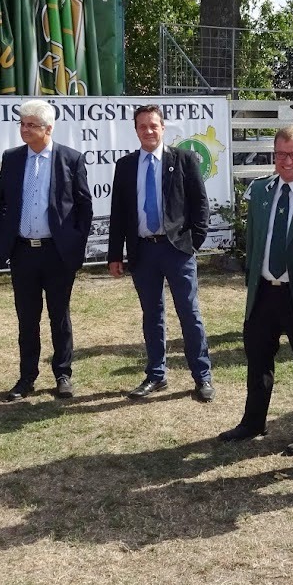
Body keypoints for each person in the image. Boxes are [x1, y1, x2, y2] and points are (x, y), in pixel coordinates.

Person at [218, 125, 293, 454]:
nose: (286, 161)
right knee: (258, 360)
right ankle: (253, 421)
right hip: (264, 292)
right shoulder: (260, 190)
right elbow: (254, 241)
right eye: (280, 154)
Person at [108, 104, 216, 402]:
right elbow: (118, 213)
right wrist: (115, 254)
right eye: (142, 126)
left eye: (153, 125)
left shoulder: (183, 159)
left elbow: (200, 204)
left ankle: (202, 376)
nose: (148, 131)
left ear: (163, 127)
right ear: (136, 130)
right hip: (142, 251)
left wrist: (193, 243)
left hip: (177, 250)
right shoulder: (126, 166)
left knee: (189, 313)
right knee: (152, 315)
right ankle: (156, 374)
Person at [0, 99, 93, 400]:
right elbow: (0, 202)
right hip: (23, 252)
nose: (24, 129)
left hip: (57, 253)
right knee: (27, 318)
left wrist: (75, 244)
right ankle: (27, 377)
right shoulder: (12, 158)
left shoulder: (70, 159)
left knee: (59, 316)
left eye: (31, 125)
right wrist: (4, 239)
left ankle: (63, 374)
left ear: (48, 129)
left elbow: (84, 206)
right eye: (22, 124)